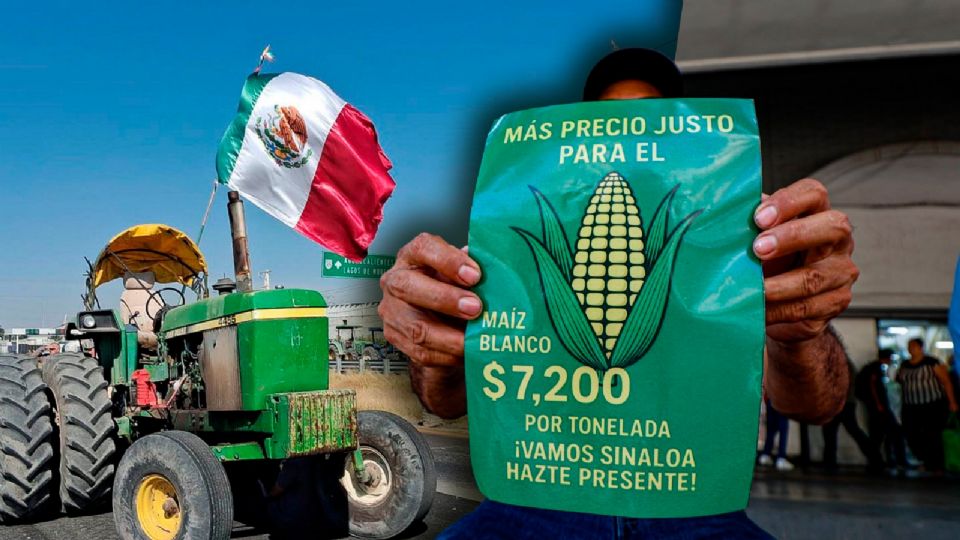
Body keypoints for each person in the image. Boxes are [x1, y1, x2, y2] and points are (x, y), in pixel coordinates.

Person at [380, 48, 858, 539]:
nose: (630, 132)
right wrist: (432, 346)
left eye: (652, 118)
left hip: (694, 509)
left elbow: (817, 407)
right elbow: (444, 401)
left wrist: (800, 332)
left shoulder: (735, 246)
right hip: (535, 504)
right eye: (609, 117)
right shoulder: (511, 247)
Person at [896, 337, 959, 473]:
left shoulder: (932, 363)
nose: (910, 349)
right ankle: (926, 460)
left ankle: (936, 464)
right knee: (912, 433)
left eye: (913, 346)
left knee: (933, 435)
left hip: (932, 405)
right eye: (909, 346)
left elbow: (946, 382)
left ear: (920, 348)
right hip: (911, 405)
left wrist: (952, 401)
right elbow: (899, 380)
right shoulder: (905, 364)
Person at [822, 357, 884, 472]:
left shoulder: (840, 364)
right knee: (851, 431)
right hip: (845, 403)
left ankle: (829, 463)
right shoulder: (844, 363)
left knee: (831, 433)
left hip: (840, 403)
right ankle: (875, 458)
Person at [855, 349, 908, 472]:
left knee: (878, 436)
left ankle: (878, 460)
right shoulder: (876, 369)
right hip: (880, 409)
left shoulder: (872, 368)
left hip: (874, 408)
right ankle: (895, 459)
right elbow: (873, 386)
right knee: (893, 433)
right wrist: (878, 403)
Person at [757, 398, 794, 471]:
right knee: (783, 430)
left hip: (770, 400)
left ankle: (766, 455)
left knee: (771, 429)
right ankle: (781, 458)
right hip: (782, 401)